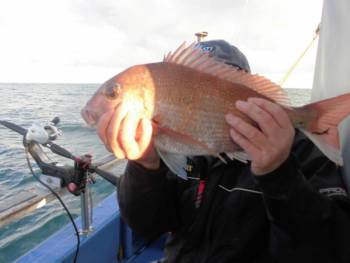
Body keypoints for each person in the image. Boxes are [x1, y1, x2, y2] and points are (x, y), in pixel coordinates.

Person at [99, 40, 350, 262]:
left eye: (224, 78)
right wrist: (145, 165)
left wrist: (279, 173)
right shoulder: (162, 146)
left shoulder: (298, 146)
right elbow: (149, 225)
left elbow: (329, 250)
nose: (200, 96)